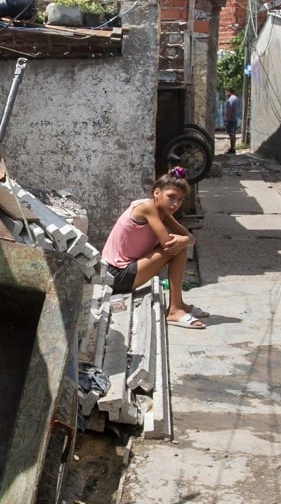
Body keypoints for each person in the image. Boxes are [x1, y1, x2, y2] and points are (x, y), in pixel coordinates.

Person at [100, 168, 207, 329]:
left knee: (180, 244)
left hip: (126, 271)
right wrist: (185, 240)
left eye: (180, 199)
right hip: (115, 275)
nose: (175, 204)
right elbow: (169, 244)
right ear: (157, 192)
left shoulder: (162, 213)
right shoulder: (148, 207)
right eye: (171, 197)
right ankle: (175, 310)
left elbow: (190, 238)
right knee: (177, 247)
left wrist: (185, 239)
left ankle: (178, 305)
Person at [223, 87, 241, 154]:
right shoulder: (235, 98)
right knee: (233, 134)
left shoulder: (231, 99)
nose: (225, 94)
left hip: (231, 119)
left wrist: (226, 120)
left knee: (231, 134)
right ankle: (232, 148)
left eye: (226, 92)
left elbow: (230, 110)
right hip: (234, 119)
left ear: (229, 92)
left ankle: (232, 149)